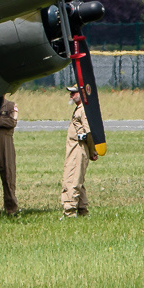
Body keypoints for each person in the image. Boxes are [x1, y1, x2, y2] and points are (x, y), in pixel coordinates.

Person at [60, 86, 94, 218]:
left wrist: (92, 151)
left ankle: (69, 212)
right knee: (78, 179)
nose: (71, 95)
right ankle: (82, 210)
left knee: (72, 179)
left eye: (74, 93)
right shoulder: (79, 109)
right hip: (74, 148)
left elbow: (89, 133)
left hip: (78, 149)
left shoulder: (83, 110)